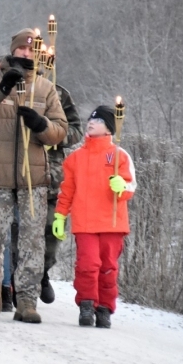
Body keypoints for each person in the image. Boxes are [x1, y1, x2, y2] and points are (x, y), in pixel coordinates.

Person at [0, 28, 68, 323]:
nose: (27, 54)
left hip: (32, 177)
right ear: (14, 51)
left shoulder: (46, 89)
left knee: (32, 240)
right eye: (22, 49)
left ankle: (27, 300)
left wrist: (41, 125)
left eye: (32, 49)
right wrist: (1, 89)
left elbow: (60, 130)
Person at [53, 106, 135, 328]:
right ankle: (87, 304)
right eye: (90, 119)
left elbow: (130, 186)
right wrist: (60, 216)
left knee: (108, 267)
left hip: (112, 223)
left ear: (109, 127)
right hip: (85, 222)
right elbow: (67, 190)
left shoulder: (119, 155)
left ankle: (105, 308)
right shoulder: (75, 159)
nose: (91, 122)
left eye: (97, 120)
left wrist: (122, 186)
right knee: (87, 265)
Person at [39, 74, 84, 304]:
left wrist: (55, 134)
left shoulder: (59, 93)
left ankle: (43, 272)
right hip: (20, 171)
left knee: (51, 231)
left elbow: (76, 129)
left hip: (52, 175)